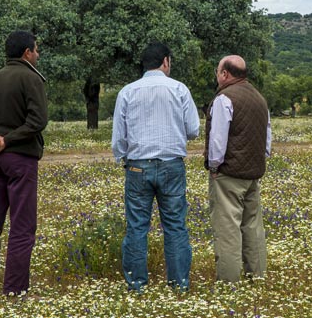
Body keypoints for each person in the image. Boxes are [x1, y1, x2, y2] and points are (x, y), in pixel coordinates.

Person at [112, 42, 199, 292]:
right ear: (165, 61)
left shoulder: (128, 92)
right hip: (172, 165)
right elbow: (193, 129)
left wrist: (124, 159)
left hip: (138, 166)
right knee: (175, 226)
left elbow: (119, 137)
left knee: (137, 226)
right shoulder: (179, 89)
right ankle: (179, 284)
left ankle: (137, 285)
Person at [0, 30, 48, 298]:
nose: (38, 54)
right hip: (21, 159)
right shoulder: (31, 78)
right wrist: (7, 140)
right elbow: (38, 121)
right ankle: (15, 290)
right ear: (27, 52)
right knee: (22, 227)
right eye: (36, 50)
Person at [204, 55, 271, 282]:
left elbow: (218, 140)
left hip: (229, 174)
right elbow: (267, 137)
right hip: (253, 171)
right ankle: (257, 275)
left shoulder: (225, 98)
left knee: (228, 229)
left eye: (217, 71)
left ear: (225, 74)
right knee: (253, 226)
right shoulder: (259, 98)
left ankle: (228, 282)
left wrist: (214, 167)